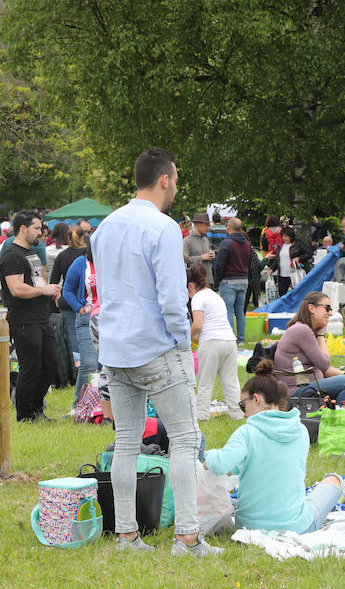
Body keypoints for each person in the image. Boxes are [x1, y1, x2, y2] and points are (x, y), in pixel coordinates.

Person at [92, 147, 218, 555]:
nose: (176, 186)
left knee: (126, 441)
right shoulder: (163, 228)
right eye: (176, 179)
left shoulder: (103, 227)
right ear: (164, 179)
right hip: (156, 347)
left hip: (115, 349)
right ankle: (187, 537)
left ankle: (127, 535)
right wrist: (183, 341)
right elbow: (170, 297)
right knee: (184, 438)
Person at [203, 359, 343, 534]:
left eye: (242, 406)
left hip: (249, 526)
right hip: (296, 526)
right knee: (334, 480)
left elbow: (219, 464)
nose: (244, 413)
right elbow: (273, 460)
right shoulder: (300, 431)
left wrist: (206, 456)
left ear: (256, 399)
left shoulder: (247, 433)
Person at [0, 210, 60, 422]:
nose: (41, 232)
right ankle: (25, 416)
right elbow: (16, 289)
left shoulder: (31, 253)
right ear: (23, 228)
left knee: (50, 364)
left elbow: (36, 283)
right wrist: (43, 290)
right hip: (24, 320)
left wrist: (50, 289)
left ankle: (36, 410)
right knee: (31, 367)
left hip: (41, 317)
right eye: (36, 228)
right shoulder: (11, 255)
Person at [273, 291, 345, 404]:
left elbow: (324, 367)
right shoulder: (302, 330)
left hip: (307, 384)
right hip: (294, 390)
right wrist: (321, 334)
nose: (330, 313)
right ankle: (338, 420)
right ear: (312, 308)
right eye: (327, 308)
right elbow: (325, 364)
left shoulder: (305, 329)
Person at [187, 264, 241, 421]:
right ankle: (237, 414)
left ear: (191, 285)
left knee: (205, 382)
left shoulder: (197, 298)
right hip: (229, 341)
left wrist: (186, 338)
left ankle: (202, 416)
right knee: (231, 382)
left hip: (211, 344)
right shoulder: (215, 296)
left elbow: (197, 325)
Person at [62, 241, 100, 402]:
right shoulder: (80, 263)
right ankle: (79, 405)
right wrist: (79, 307)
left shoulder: (116, 261)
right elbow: (67, 290)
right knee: (89, 364)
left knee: (110, 366)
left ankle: (107, 407)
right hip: (87, 317)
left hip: (113, 318)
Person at [213, 217, 251, 343]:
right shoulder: (247, 244)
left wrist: (216, 281)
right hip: (243, 280)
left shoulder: (226, 243)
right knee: (240, 311)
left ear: (228, 228)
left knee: (228, 310)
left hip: (229, 280)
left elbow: (219, 265)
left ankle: (230, 338)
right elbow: (250, 262)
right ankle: (241, 338)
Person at [49, 225, 87, 350]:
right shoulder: (88, 255)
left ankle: (75, 363)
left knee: (71, 333)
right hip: (85, 300)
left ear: (68, 238)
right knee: (86, 335)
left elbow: (53, 280)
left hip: (66, 299)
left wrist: (57, 298)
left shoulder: (62, 255)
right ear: (83, 237)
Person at [272, 226, 310, 297]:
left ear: (291, 236)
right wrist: (272, 269)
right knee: (282, 296)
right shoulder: (280, 246)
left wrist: (299, 258)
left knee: (295, 295)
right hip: (282, 276)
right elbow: (278, 259)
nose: (284, 238)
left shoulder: (298, 244)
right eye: (283, 236)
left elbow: (309, 253)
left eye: (286, 236)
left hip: (294, 275)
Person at [183, 212, 214, 286]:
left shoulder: (206, 240)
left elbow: (208, 254)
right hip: (195, 282)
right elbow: (185, 259)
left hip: (208, 280)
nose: (208, 227)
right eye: (206, 225)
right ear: (197, 224)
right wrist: (202, 257)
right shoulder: (187, 241)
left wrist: (212, 256)